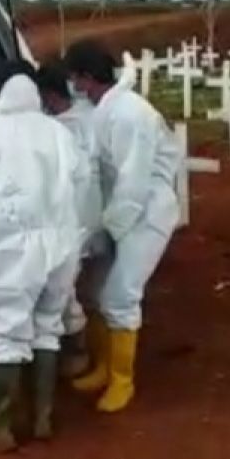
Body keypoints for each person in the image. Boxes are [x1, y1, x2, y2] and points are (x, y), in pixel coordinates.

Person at [0, 62, 84, 450]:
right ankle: (42, 418)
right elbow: (80, 186)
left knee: (6, 334)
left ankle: (1, 427)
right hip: (61, 241)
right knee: (48, 327)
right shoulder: (59, 134)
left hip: (13, 244)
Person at [62, 39, 180, 412]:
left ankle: (122, 381)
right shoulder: (103, 109)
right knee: (96, 291)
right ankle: (102, 367)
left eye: (74, 78)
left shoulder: (129, 114)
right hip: (121, 211)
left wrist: (110, 226)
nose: (73, 87)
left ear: (85, 77)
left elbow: (133, 180)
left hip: (146, 213)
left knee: (120, 295)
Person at [34, 60, 105, 380]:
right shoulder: (85, 118)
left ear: (49, 93)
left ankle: (78, 348)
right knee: (74, 281)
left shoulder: (65, 127)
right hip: (83, 211)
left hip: (76, 212)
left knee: (64, 283)